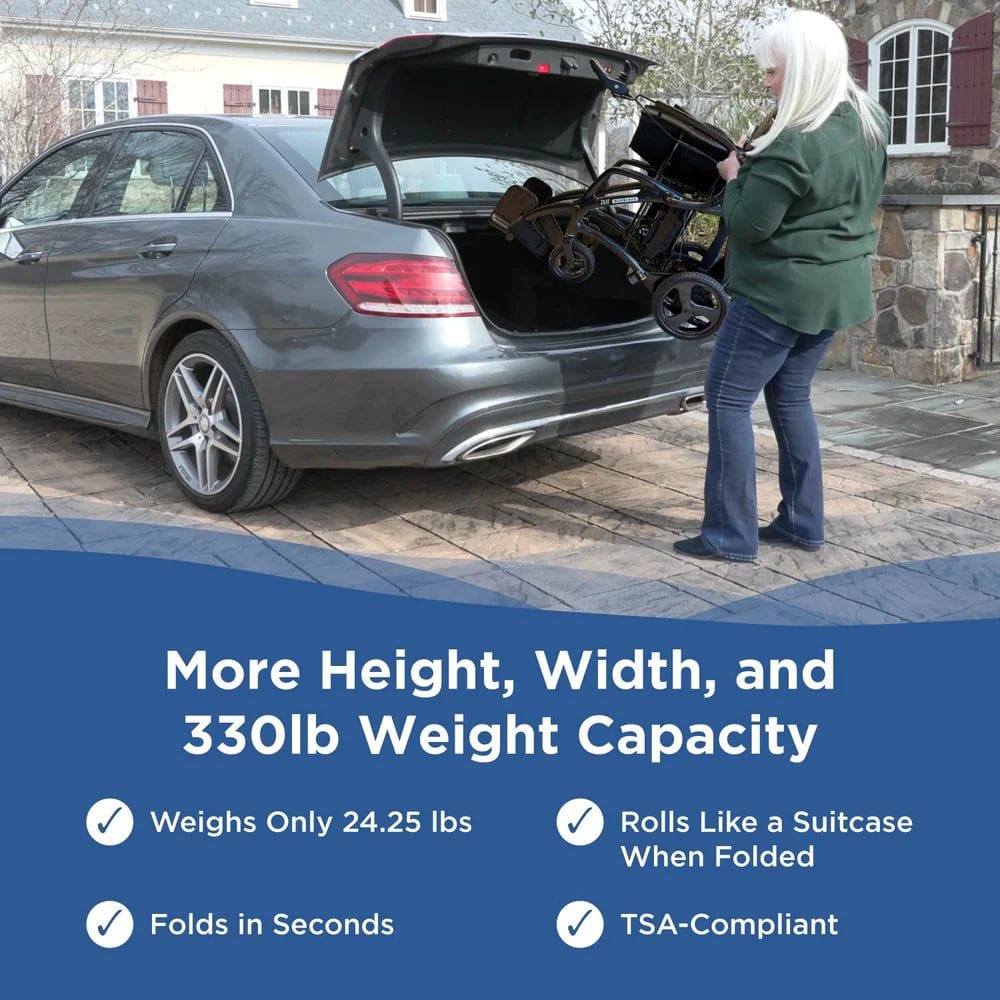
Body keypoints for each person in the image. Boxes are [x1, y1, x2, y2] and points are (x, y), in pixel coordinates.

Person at [673, 9, 888, 562]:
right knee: (791, 399)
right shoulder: (868, 121)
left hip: (777, 294)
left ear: (806, 68)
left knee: (726, 401)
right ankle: (801, 522)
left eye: (773, 71)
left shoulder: (794, 142)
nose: (766, 81)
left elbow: (748, 225)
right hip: (837, 292)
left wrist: (734, 179)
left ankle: (728, 536)